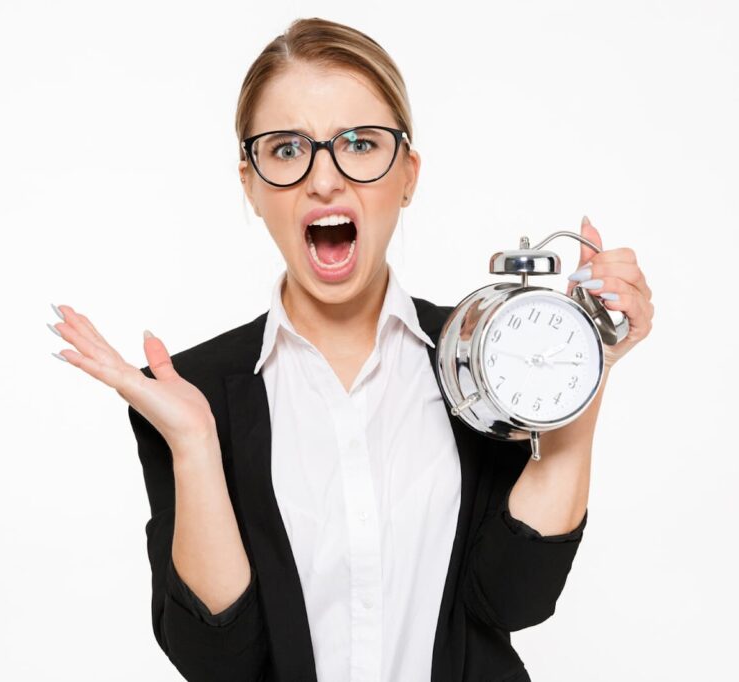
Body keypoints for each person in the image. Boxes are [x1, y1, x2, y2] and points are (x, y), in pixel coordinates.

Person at [47, 16, 654, 682]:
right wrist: (196, 447)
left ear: (407, 175)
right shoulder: (187, 392)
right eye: (285, 150)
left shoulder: (491, 353)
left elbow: (514, 599)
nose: (325, 180)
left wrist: (576, 365)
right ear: (249, 183)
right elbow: (217, 662)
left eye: (360, 144)